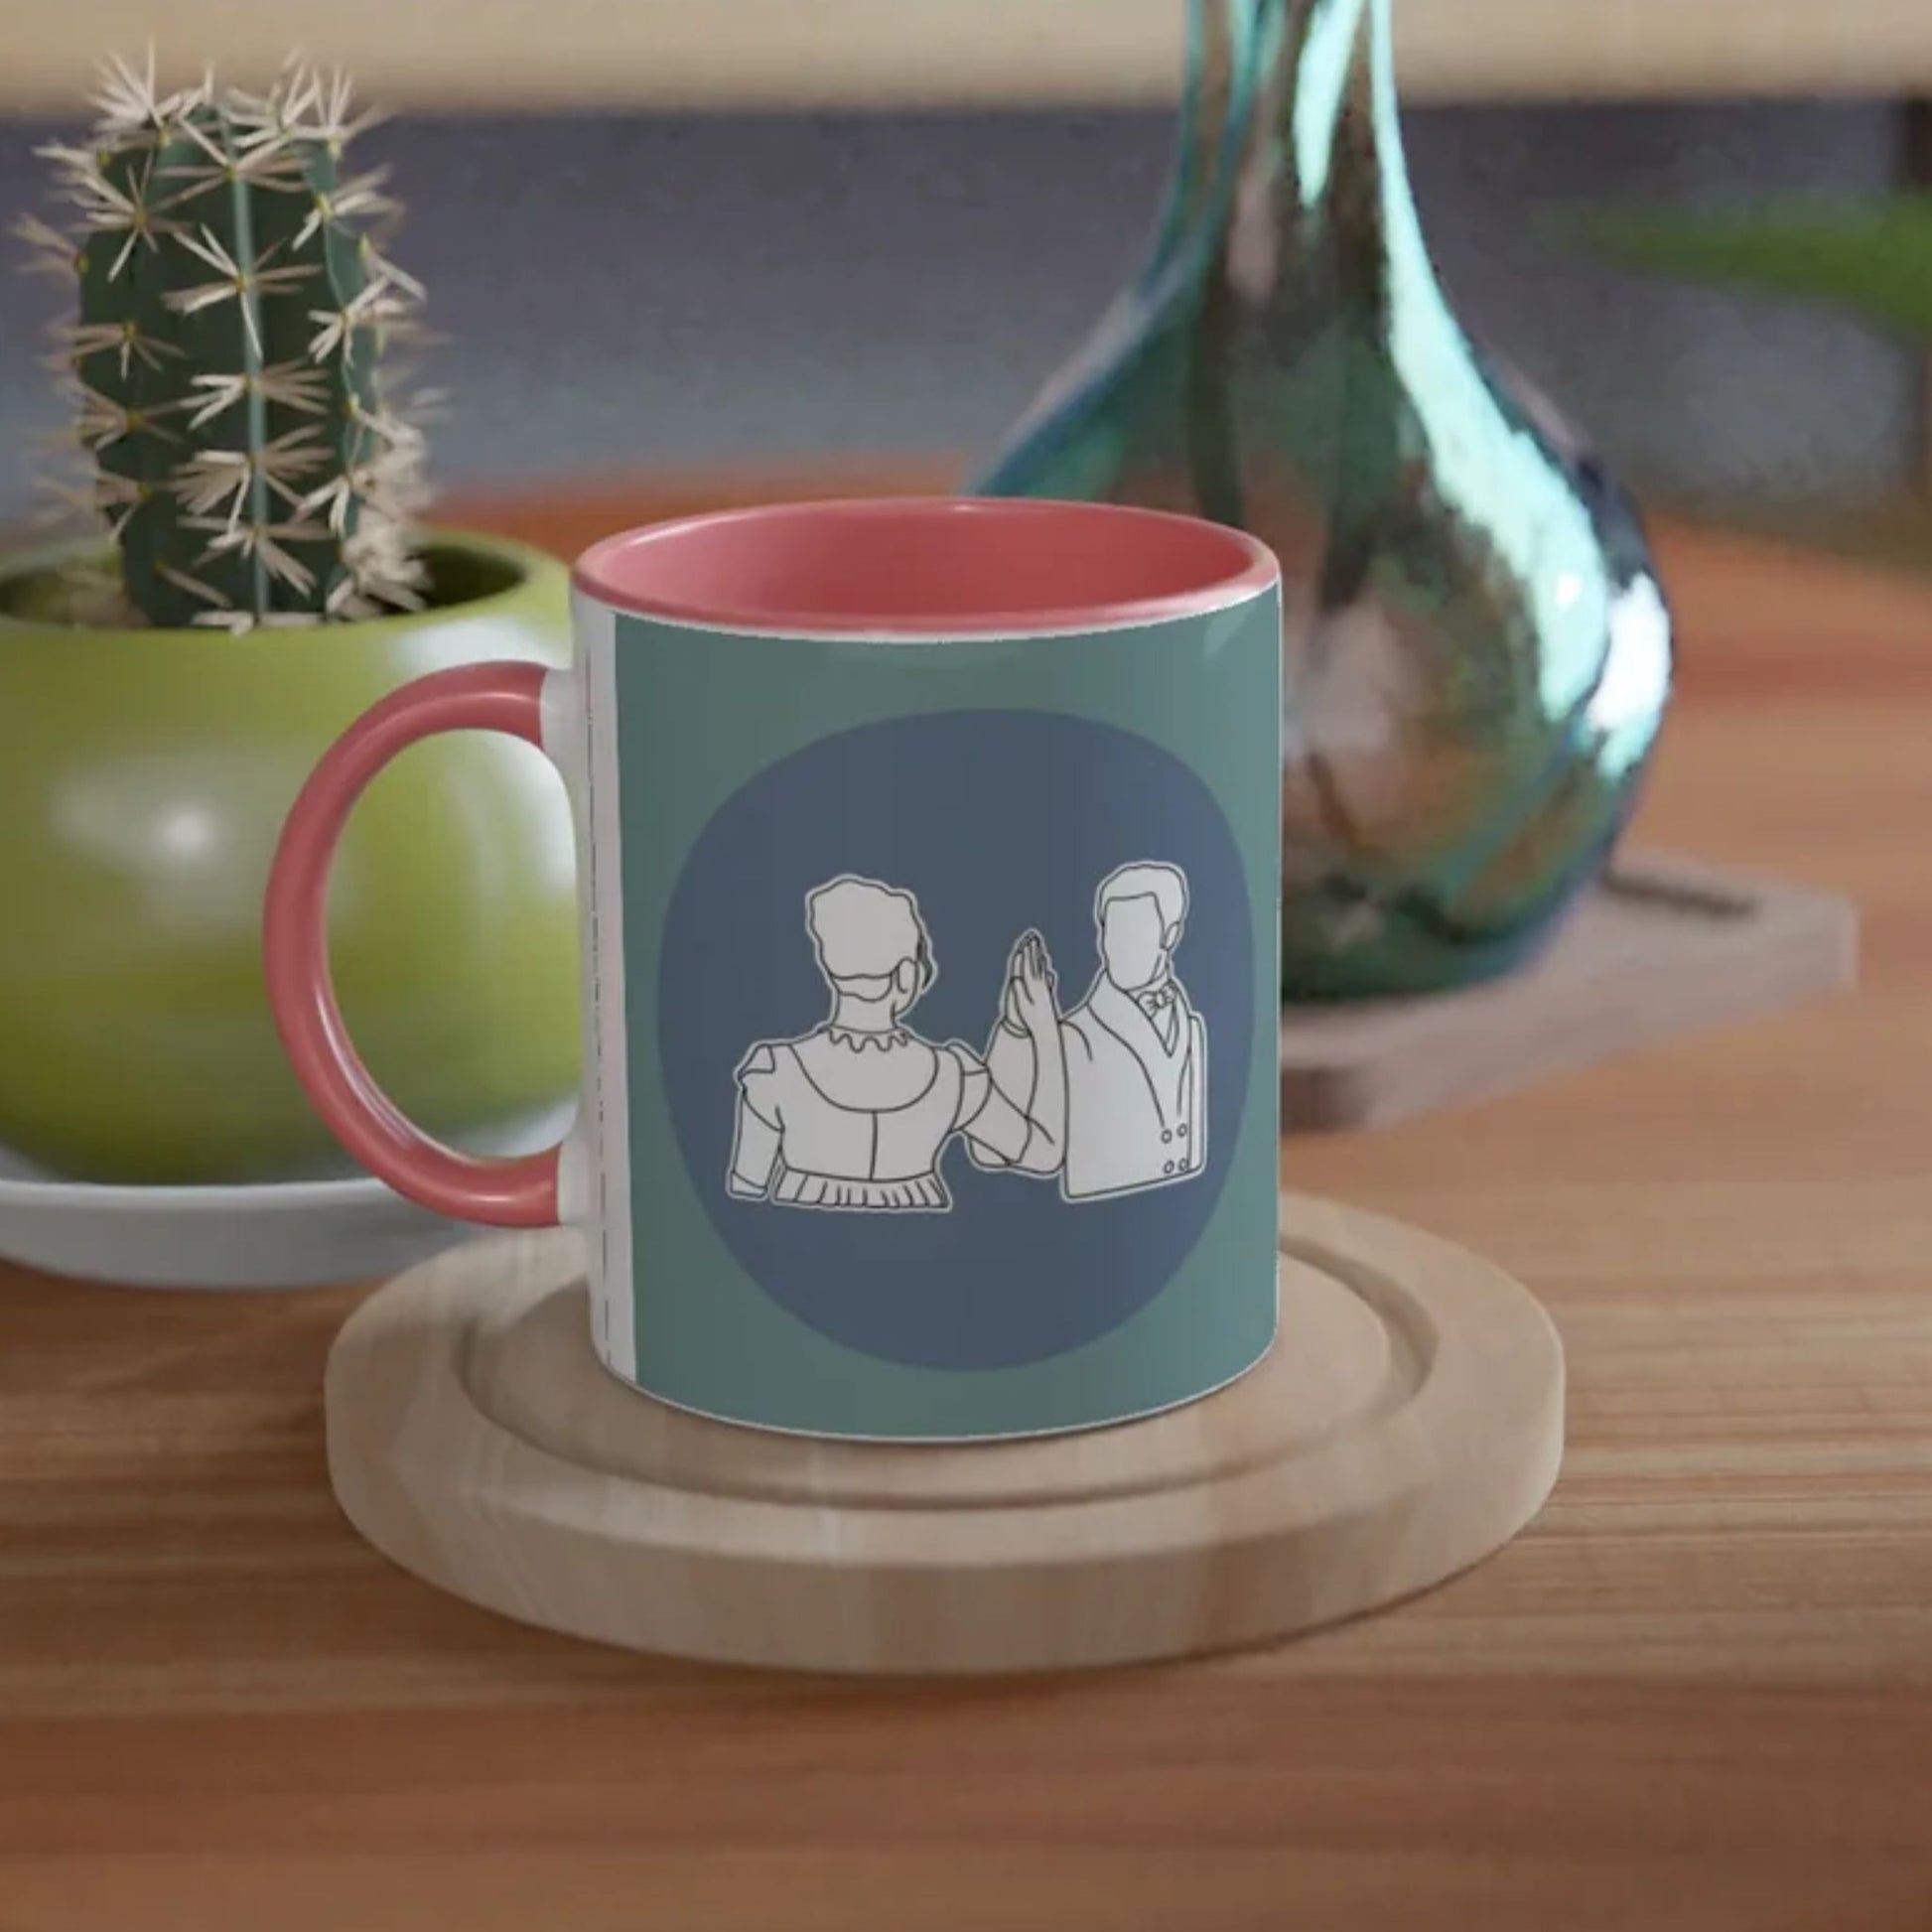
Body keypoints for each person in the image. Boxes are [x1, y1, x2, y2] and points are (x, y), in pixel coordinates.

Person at [727, 875, 1066, 1213]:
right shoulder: (953, 1075)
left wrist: (1012, 1029)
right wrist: (1044, 1029)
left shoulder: (774, 1070)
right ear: (907, 974)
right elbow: (1045, 1153)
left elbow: (745, 1195)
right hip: (922, 1256)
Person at [976, 861, 1206, 1202]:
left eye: (1137, 928)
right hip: (1098, 1227)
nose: (1119, 946)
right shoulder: (1072, 1037)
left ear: (1169, 935)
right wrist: (1019, 1030)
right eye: (1112, 930)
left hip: (1181, 1213)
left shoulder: (1190, 1026)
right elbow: (990, 1150)